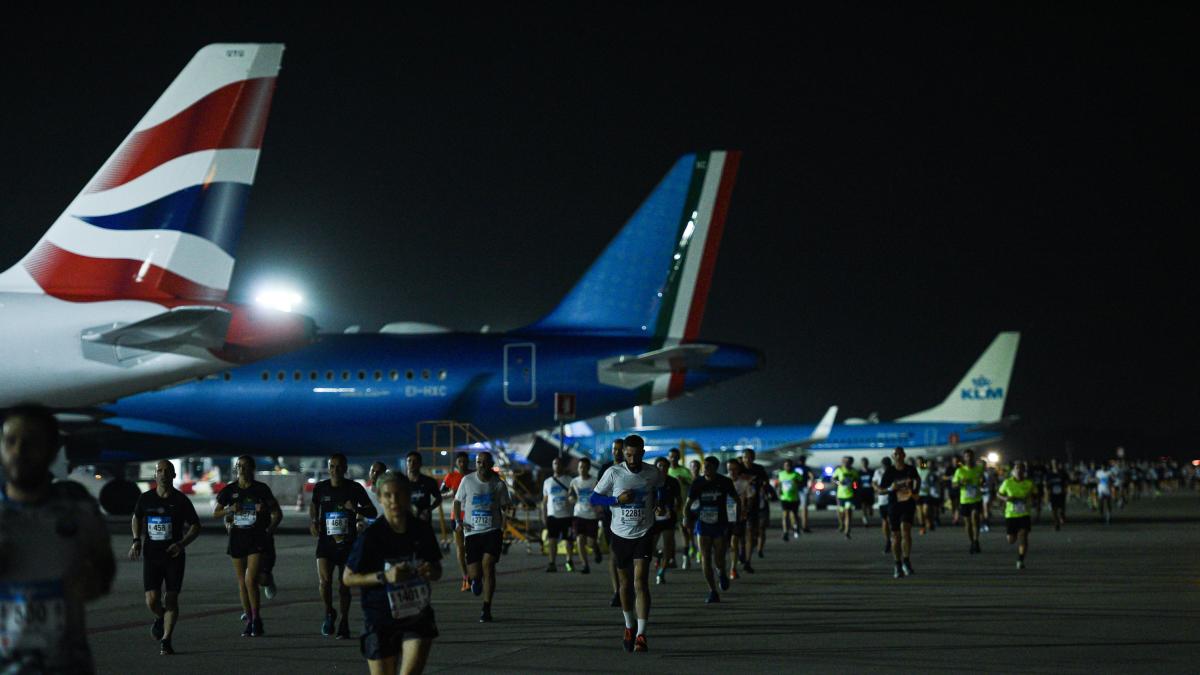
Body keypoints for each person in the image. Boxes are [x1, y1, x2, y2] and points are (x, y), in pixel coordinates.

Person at [0, 405, 115, 673]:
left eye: (31, 442)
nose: (18, 451)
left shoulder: (79, 513)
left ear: (53, 450)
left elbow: (103, 574)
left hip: (65, 665)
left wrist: (89, 582)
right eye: (10, 441)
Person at [344, 471, 442, 675]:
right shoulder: (371, 537)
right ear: (380, 498)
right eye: (388, 495)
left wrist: (430, 571)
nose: (394, 500)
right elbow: (348, 578)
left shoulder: (422, 531)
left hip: (416, 615)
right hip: (380, 617)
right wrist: (384, 577)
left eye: (399, 494)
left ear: (408, 496)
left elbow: (437, 570)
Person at [590, 434, 663, 653]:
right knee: (625, 584)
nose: (632, 459)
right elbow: (594, 498)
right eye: (628, 455)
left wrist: (659, 502)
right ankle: (629, 626)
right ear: (623, 453)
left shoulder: (652, 472)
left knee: (640, 582)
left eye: (636, 455)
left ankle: (641, 634)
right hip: (620, 535)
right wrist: (616, 500)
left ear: (643, 453)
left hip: (643, 532)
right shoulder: (613, 473)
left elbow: (660, 488)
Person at [130, 460, 201, 655]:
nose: (163, 474)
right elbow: (136, 517)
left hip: (173, 556)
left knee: (171, 598)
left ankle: (166, 640)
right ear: (155, 475)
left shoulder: (180, 500)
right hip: (152, 555)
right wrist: (136, 540)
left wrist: (181, 544)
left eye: (167, 471)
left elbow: (196, 526)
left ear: (173, 475)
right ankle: (161, 617)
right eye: (159, 471)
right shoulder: (146, 498)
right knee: (152, 600)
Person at [310, 453, 378, 638]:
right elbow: (314, 505)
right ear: (328, 468)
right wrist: (314, 521)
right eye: (332, 466)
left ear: (345, 468)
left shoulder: (354, 488)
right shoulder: (321, 488)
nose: (335, 470)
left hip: (347, 543)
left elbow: (372, 511)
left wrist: (356, 509)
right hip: (326, 542)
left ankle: (344, 622)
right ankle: (328, 612)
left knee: (344, 585)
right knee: (324, 582)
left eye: (339, 466)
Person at [214, 455, 282, 637]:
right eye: (239, 466)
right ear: (236, 469)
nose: (242, 469)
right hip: (237, 538)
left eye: (246, 466)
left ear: (252, 468)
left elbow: (277, 513)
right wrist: (230, 510)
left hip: (256, 538)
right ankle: (250, 619)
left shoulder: (261, 489)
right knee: (242, 582)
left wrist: (268, 530)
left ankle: (257, 619)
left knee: (250, 580)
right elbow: (216, 513)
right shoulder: (229, 490)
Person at [452, 451, 512, 622]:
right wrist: (458, 521)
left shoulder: (498, 484)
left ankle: (486, 608)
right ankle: (475, 580)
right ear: (476, 464)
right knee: (475, 573)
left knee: (488, 565)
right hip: (472, 532)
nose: (482, 465)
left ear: (491, 464)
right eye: (479, 462)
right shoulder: (467, 480)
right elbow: (457, 501)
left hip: (492, 531)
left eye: (485, 462)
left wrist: (507, 515)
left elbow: (506, 505)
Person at [683, 456, 739, 603]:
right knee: (705, 558)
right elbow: (688, 504)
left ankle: (721, 572)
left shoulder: (725, 482)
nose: (705, 469)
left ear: (715, 467)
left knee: (719, 559)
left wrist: (736, 519)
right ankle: (712, 591)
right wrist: (686, 518)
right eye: (704, 466)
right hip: (703, 524)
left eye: (708, 466)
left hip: (720, 524)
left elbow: (736, 500)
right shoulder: (698, 482)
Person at [878, 447, 920, 578]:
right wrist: (891, 488)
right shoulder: (889, 471)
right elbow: (880, 490)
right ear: (893, 456)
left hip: (908, 504)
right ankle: (897, 563)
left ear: (904, 455)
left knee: (906, 530)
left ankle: (906, 560)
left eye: (900, 453)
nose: (897, 456)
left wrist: (915, 492)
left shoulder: (910, 469)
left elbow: (917, 480)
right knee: (896, 536)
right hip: (894, 505)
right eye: (895, 454)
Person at [598, 439, 625, 607]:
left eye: (620, 449)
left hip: (629, 518)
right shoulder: (605, 469)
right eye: (615, 449)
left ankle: (627, 587)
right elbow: (598, 494)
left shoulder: (632, 469)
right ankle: (617, 592)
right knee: (614, 554)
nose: (617, 452)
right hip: (610, 517)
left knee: (627, 557)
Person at [439, 452, 471, 591]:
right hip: (457, 516)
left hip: (473, 516)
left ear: (468, 462)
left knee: (473, 548)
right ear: (456, 463)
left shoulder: (473, 476)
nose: (462, 464)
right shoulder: (451, 476)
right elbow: (439, 494)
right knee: (460, 548)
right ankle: (466, 578)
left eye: (464, 461)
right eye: (460, 461)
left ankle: (475, 574)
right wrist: (450, 494)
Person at [541, 456, 576, 572]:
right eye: (555, 463)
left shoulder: (570, 480)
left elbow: (574, 496)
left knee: (569, 541)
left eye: (559, 463)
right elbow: (544, 501)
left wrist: (571, 500)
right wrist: (544, 515)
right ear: (552, 466)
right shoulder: (547, 482)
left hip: (567, 515)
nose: (557, 466)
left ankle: (569, 561)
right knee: (552, 540)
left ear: (563, 466)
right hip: (552, 515)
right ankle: (552, 563)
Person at [997, 462, 1035, 569]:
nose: (1019, 470)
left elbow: (1036, 494)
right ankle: (1015, 538)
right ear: (1013, 471)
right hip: (1011, 514)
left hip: (1024, 514)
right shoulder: (1007, 482)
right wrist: (1005, 498)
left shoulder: (1029, 483)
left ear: (1024, 471)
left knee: (1023, 536)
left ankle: (1020, 559)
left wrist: (1031, 498)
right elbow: (999, 494)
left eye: (1021, 469)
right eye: (1017, 468)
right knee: (1011, 540)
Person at [651, 457, 681, 584]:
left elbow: (679, 499)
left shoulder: (673, 482)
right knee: (650, 547)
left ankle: (661, 572)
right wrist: (653, 509)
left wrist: (675, 508)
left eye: (665, 466)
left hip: (669, 517)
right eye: (660, 466)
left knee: (668, 544)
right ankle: (659, 555)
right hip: (654, 518)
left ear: (668, 468)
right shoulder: (651, 482)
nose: (662, 468)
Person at [568, 457, 600, 574]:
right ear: (578, 468)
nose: (582, 469)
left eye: (585, 467)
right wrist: (571, 498)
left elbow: (600, 495)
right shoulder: (574, 481)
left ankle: (596, 549)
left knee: (590, 542)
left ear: (589, 468)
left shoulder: (594, 481)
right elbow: (570, 495)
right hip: (578, 514)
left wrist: (598, 505)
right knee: (580, 539)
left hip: (591, 515)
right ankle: (585, 565)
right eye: (580, 467)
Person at [952, 449, 986, 554]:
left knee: (975, 518)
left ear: (973, 457)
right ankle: (972, 542)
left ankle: (976, 541)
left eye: (970, 456)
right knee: (968, 523)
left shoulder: (979, 469)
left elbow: (983, 480)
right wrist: (960, 482)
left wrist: (982, 481)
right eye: (967, 456)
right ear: (964, 458)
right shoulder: (960, 471)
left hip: (976, 498)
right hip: (965, 500)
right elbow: (954, 485)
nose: (969, 458)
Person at [741, 449, 772, 559]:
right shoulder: (740, 469)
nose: (747, 460)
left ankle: (757, 548)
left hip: (759, 503)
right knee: (745, 531)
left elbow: (766, 482)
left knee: (759, 529)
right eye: (745, 457)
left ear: (754, 458)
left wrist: (764, 487)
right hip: (744, 504)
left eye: (750, 457)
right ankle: (744, 552)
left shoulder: (759, 469)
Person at [666, 448, 695, 567]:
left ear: (679, 458)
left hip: (683, 506)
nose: (673, 459)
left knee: (684, 530)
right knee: (669, 534)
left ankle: (685, 556)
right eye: (671, 456)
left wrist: (684, 481)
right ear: (668, 457)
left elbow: (694, 485)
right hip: (669, 507)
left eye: (675, 456)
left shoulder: (684, 471)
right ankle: (671, 558)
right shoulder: (666, 470)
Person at [726, 459, 755, 578]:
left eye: (734, 469)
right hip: (724, 518)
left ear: (738, 470)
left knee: (734, 541)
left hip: (737, 517)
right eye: (729, 469)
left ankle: (733, 568)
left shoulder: (744, 483)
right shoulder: (722, 482)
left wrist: (746, 510)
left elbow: (751, 497)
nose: (732, 472)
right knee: (723, 544)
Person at [405, 452, 442, 524]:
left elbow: (438, 498)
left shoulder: (429, 481)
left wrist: (429, 509)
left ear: (420, 464)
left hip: (424, 520)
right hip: (405, 520)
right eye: (409, 461)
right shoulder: (401, 481)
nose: (412, 463)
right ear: (406, 463)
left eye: (415, 461)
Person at [832, 456, 857, 538]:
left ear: (851, 463)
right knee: (841, 513)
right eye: (844, 461)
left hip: (850, 495)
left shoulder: (854, 471)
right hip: (840, 495)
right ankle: (841, 524)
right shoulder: (839, 470)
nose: (846, 463)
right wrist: (839, 483)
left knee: (848, 513)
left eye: (848, 461)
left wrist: (855, 488)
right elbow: (833, 479)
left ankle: (847, 531)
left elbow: (855, 482)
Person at [777, 459, 802, 540]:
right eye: (786, 466)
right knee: (785, 515)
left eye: (789, 465)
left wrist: (796, 482)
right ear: (783, 466)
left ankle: (796, 527)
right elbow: (780, 484)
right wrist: (779, 491)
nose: (787, 467)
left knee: (794, 515)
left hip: (794, 498)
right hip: (784, 498)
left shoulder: (796, 474)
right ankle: (785, 532)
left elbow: (801, 483)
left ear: (792, 466)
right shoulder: (781, 474)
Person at [873, 457, 893, 554]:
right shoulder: (878, 472)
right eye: (884, 464)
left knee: (891, 520)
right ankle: (888, 540)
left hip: (892, 500)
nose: (885, 465)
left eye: (887, 464)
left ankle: (894, 538)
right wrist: (877, 489)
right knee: (885, 521)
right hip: (882, 500)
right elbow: (874, 482)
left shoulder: (894, 471)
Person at [362, 461, 389, 531]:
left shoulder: (390, 494)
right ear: (369, 473)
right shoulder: (363, 493)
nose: (375, 474)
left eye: (378, 472)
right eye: (372, 471)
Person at [1043, 458, 1068, 530]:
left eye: (1056, 463)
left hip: (1061, 494)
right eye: (1053, 463)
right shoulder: (1049, 474)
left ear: (1058, 464)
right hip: (1052, 494)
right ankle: (1056, 523)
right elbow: (1045, 484)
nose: (1055, 464)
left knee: (1061, 509)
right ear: (1051, 464)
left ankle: (1062, 516)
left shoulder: (1063, 473)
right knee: (1054, 510)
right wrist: (1046, 494)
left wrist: (1066, 489)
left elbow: (1067, 482)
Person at [857, 457, 875, 526]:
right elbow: (855, 482)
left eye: (865, 463)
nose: (864, 464)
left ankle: (870, 510)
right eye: (863, 463)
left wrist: (874, 488)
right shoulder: (859, 472)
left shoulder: (871, 472)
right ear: (861, 464)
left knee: (870, 507)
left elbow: (875, 481)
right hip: (862, 492)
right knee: (863, 506)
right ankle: (865, 519)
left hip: (870, 491)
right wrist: (855, 489)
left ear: (867, 463)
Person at [1096, 461, 1115, 525]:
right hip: (1101, 490)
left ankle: (1108, 517)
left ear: (1106, 467)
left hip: (1108, 490)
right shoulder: (1098, 472)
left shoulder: (1109, 472)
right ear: (1101, 467)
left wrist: (1110, 481)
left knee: (1108, 504)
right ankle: (1102, 516)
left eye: (1104, 466)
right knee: (1101, 504)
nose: (1103, 467)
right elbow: (1097, 481)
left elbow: (1113, 480)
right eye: (1102, 466)